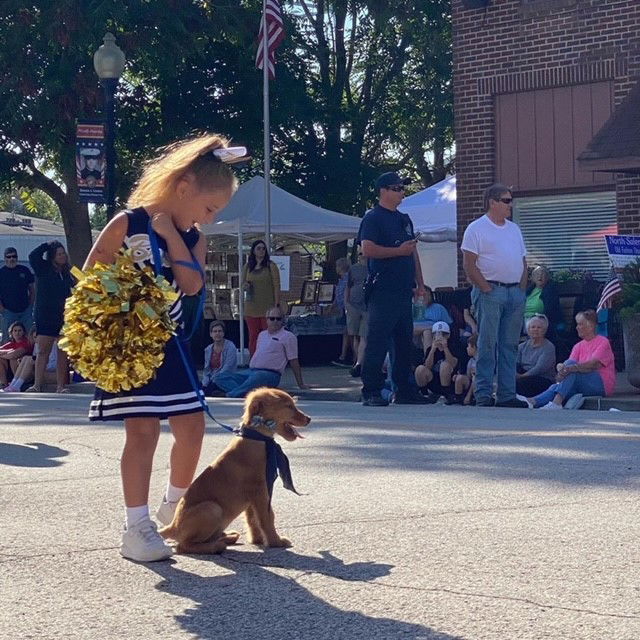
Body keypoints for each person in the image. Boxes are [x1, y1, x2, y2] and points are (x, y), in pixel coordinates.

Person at [84, 133, 240, 562]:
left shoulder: (192, 239)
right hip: (131, 346)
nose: (208, 219)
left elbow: (190, 285)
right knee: (143, 431)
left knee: (192, 427)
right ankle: (136, 527)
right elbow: (90, 276)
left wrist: (171, 233)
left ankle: (174, 508)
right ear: (184, 187)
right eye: (208, 208)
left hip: (170, 345)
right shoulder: (125, 222)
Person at [358, 171, 431, 406]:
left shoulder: (404, 219)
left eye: (402, 188)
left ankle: (404, 390)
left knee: (403, 342)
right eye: (397, 188)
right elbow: (367, 250)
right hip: (383, 289)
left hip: (403, 289)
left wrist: (420, 283)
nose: (402, 192)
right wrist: (398, 251)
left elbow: (413, 252)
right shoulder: (373, 218)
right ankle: (371, 390)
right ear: (384, 191)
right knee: (377, 341)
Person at [461, 183, 528, 408]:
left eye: (511, 200)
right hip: (490, 291)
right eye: (507, 200)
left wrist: (521, 289)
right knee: (487, 344)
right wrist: (487, 288)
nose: (511, 205)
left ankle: (507, 395)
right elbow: (469, 265)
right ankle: (483, 395)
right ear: (492, 202)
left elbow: (523, 261)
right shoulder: (476, 228)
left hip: (514, 293)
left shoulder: (514, 229)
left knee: (509, 346)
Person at [525, 309, 615, 410]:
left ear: (590, 326)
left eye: (580, 324)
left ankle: (556, 403)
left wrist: (570, 368)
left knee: (571, 368)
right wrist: (561, 370)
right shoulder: (578, 346)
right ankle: (532, 401)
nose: (577, 328)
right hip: (580, 381)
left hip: (600, 384)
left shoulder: (603, 342)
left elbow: (593, 365)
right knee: (556, 386)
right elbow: (568, 366)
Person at [215, 307, 309, 397]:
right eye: (272, 318)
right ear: (267, 320)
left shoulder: (288, 337)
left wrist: (300, 384)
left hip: (270, 374)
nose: (275, 321)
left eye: (278, 319)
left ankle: (231, 394)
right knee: (220, 377)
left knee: (257, 377)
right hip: (251, 371)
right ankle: (244, 392)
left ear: (282, 321)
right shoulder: (262, 335)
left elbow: (294, 361)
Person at [27, 241, 73, 393]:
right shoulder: (43, 268)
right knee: (42, 351)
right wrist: (47, 245)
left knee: (62, 352)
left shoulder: (67, 273)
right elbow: (33, 256)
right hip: (45, 315)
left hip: (64, 316)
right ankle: (37, 385)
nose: (62, 256)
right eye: (59, 254)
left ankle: (61, 386)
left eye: (63, 253)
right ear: (53, 256)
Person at [242, 239, 281, 356]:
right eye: (258, 248)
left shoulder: (271, 266)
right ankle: (254, 360)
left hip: (267, 308)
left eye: (263, 248)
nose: (261, 251)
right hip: (251, 307)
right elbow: (242, 283)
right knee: (253, 335)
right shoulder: (248, 266)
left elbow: (277, 285)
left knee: (268, 334)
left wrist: (277, 304)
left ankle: (267, 359)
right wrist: (245, 286)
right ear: (253, 251)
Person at [414, 321, 464, 403]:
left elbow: (453, 364)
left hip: (449, 381)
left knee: (444, 365)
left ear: (448, 335)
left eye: (444, 334)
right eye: (436, 334)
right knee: (420, 369)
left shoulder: (454, 347)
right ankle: (424, 394)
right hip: (434, 380)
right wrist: (433, 350)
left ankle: (445, 395)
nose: (440, 337)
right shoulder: (431, 349)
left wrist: (445, 348)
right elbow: (427, 366)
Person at [516, 314, 556, 397]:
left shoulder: (548, 347)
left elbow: (540, 368)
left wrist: (521, 376)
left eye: (539, 327)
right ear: (528, 330)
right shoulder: (521, 346)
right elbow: (516, 363)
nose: (535, 330)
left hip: (542, 378)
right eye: (533, 327)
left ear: (544, 330)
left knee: (520, 383)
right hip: (523, 376)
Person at [0, 247, 34, 342]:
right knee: (7, 337)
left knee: (30, 335)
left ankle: (30, 355)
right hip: (8, 312)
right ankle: (5, 356)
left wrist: (31, 305)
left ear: (17, 258)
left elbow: (32, 289)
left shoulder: (24, 270)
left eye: (14, 256)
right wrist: (2, 309)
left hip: (25, 311)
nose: (11, 259)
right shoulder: (1, 273)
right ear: (5, 258)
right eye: (9, 257)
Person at [345, 248, 368, 378]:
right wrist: (346, 303)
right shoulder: (353, 269)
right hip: (353, 305)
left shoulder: (372, 267)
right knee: (354, 335)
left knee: (364, 334)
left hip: (367, 307)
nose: (362, 256)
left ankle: (360, 362)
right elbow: (348, 286)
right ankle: (356, 361)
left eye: (364, 253)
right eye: (360, 253)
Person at [412, 285, 453, 352]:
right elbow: (410, 328)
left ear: (430, 296)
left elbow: (448, 325)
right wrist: (432, 326)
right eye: (421, 295)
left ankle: (428, 359)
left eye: (426, 295)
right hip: (415, 336)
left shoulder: (439, 308)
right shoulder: (413, 309)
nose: (424, 297)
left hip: (435, 335)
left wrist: (432, 329)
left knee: (427, 333)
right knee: (423, 331)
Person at [201, 320, 238, 395]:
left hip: (225, 378)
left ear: (223, 333)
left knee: (216, 382)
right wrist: (205, 382)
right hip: (212, 379)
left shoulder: (231, 347)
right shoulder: (208, 349)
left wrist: (213, 379)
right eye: (215, 331)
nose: (217, 333)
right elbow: (206, 370)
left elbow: (228, 368)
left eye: (220, 331)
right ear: (211, 334)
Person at [524, 265, 562, 335]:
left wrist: (536, 318)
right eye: (537, 274)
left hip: (540, 320)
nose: (540, 276)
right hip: (523, 319)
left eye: (543, 274)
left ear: (547, 278)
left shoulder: (550, 291)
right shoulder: (529, 291)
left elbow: (549, 311)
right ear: (533, 278)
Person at [331, 257, 352, 367]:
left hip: (348, 309)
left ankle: (345, 356)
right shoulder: (341, 280)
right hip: (342, 309)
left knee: (349, 332)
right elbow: (338, 296)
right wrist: (333, 305)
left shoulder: (348, 279)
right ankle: (345, 356)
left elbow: (346, 294)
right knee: (347, 332)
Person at [0, 322, 32, 388]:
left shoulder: (26, 342)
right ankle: (4, 384)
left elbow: (14, 355)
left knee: (13, 359)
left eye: (20, 330)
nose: (17, 333)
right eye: (15, 331)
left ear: (23, 332)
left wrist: (4, 353)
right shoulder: (11, 343)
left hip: (27, 372)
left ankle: (17, 383)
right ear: (11, 333)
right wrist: (8, 351)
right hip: (10, 371)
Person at [451, 333, 478, 405]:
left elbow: (474, 380)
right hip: (471, 384)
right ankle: (458, 398)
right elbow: (468, 376)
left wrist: (468, 396)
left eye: (468, 346)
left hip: (478, 384)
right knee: (460, 378)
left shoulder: (479, 362)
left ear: (474, 347)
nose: (467, 348)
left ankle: (469, 398)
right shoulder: (471, 361)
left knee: (475, 379)